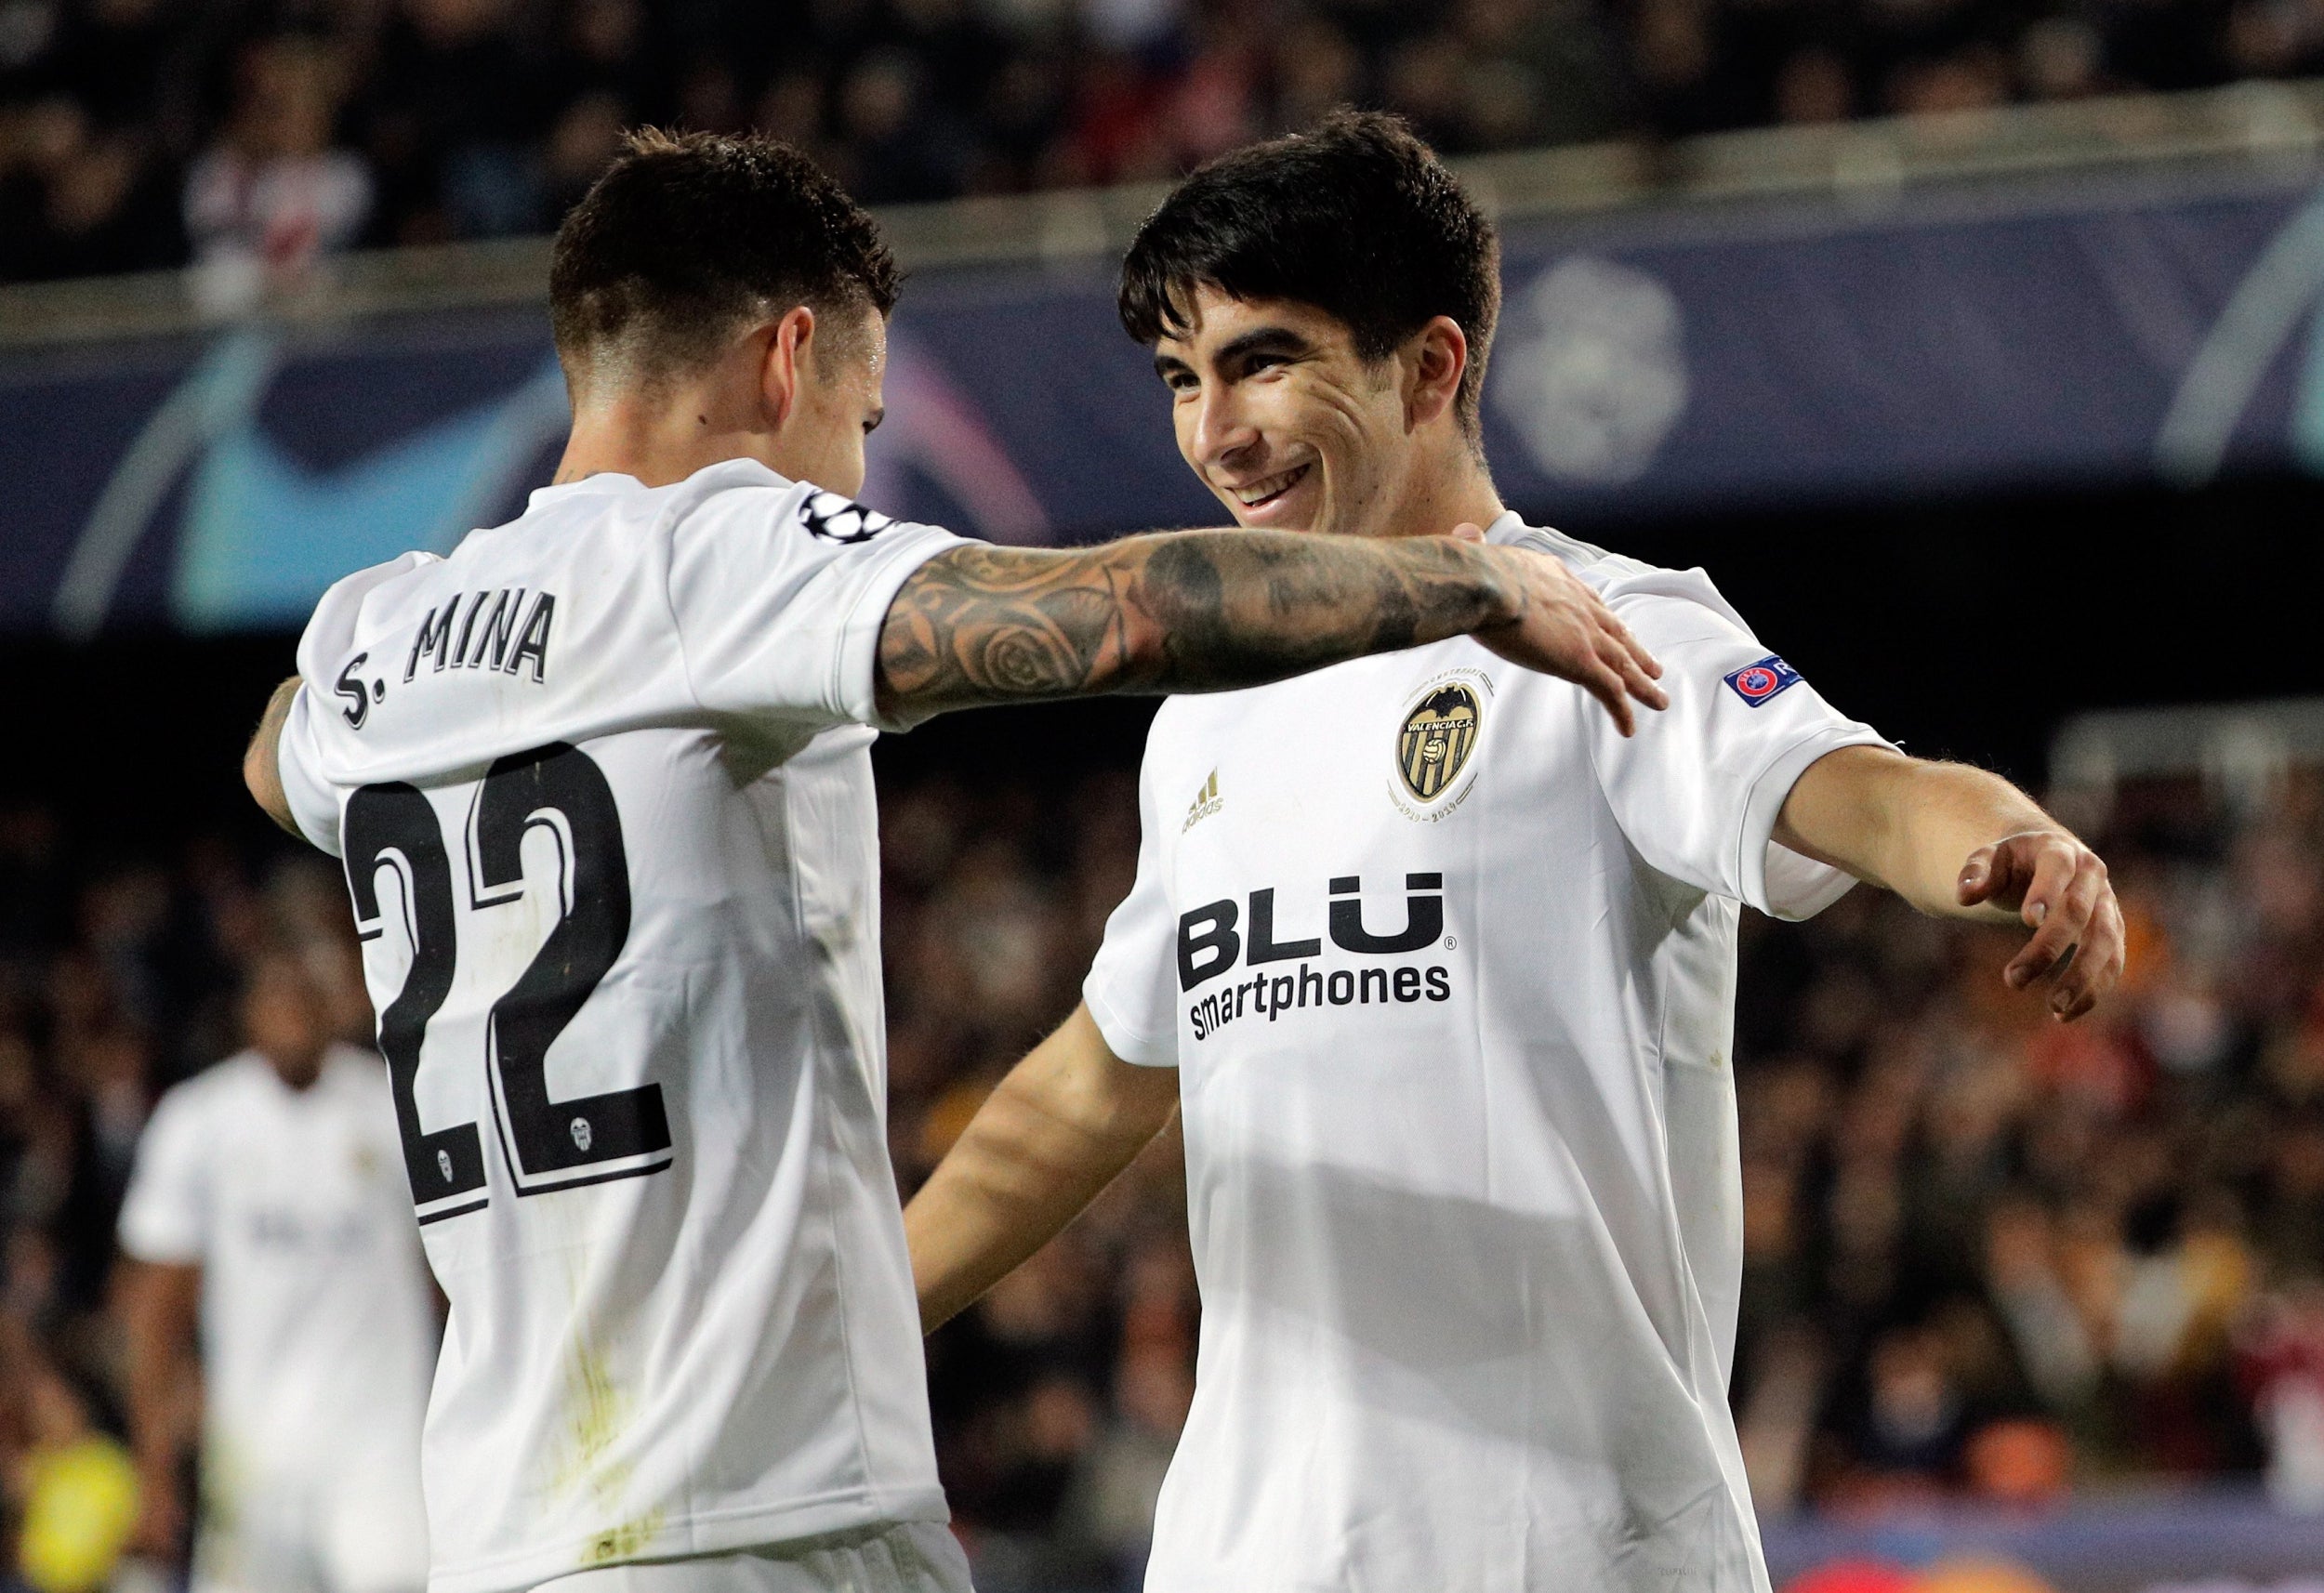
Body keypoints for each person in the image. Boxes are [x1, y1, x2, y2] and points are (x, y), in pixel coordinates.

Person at [238, 128, 1665, 1593]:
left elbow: (275, 757)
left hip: (500, 1534)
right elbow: (1114, 612)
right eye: (860, 422)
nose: (854, 477)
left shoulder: (375, 634)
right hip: (769, 1521)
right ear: (787, 359)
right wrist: (1461, 578)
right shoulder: (723, 554)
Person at [903, 112, 2129, 1593]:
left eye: (1266, 361)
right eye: (1183, 378)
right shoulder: (1209, 724)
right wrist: (841, 1329)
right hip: (1251, 1557)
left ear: (1430, 365)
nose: (1215, 433)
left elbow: (1856, 788)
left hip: (1571, 1555)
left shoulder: (1605, 625)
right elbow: (1092, 1085)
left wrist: (2012, 836)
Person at [117, 950, 435, 1593]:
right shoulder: (198, 1121)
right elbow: (155, 1309)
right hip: (254, 1457)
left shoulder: (392, 1107)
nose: (291, 1014)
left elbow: (446, 1277)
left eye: (305, 997)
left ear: (329, 1007)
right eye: (275, 997)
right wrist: (153, 1467)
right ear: (248, 1012)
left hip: (385, 1449)